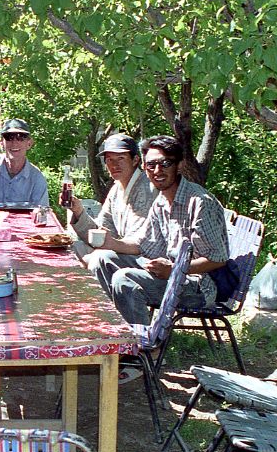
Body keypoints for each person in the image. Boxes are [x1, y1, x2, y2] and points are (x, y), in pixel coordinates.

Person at [91, 135, 234, 328]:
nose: (157, 171)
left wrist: (175, 270)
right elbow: (143, 246)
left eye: (165, 164)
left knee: (123, 279)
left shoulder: (200, 202)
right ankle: (120, 330)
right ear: (144, 167)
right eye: (151, 165)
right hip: (170, 273)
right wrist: (110, 243)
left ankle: (145, 347)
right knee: (103, 258)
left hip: (198, 286)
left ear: (179, 165)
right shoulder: (161, 201)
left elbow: (218, 258)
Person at [66, 133, 157, 268]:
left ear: (135, 160)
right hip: (120, 249)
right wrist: (79, 211)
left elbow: (140, 244)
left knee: (96, 258)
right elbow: (101, 233)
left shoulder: (147, 189)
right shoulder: (116, 189)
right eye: (109, 160)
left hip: (145, 259)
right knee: (73, 247)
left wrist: (97, 254)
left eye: (120, 158)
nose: (114, 165)